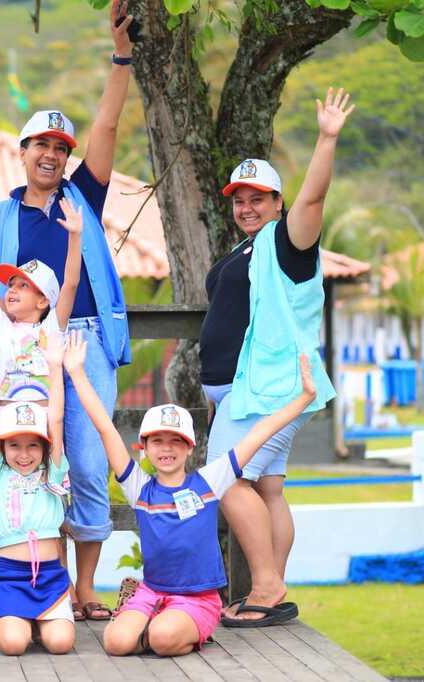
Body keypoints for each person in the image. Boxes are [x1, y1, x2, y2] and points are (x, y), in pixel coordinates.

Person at [0, 0, 136, 621]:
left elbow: (109, 127)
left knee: (90, 461)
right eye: (40, 144)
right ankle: (42, 584)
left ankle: (85, 588)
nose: (51, 154)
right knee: (25, 453)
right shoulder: (1, 215)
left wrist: (119, 57)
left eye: (59, 146)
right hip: (20, 347)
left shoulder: (83, 196)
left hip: (84, 339)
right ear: (23, 151)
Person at [199, 88, 352, 626]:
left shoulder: (288, 241)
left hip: (273, 389)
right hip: (247, 391)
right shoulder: (246, 248)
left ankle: (265, 586)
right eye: (239, 199)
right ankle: (271, 591)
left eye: (258, 198)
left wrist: (326, 139)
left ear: (277, 203)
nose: (246, 207)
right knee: (266, 487)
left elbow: (312, 201)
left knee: (222, 479)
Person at [72, 339, 317, 656]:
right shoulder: (140, 488)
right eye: (157, 441)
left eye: (176, 441)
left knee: (162, 639)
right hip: (153, 592)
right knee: (115, 643)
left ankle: (181, 628)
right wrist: (76, 371)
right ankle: (155, 620)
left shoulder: (209, 482)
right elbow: (105, 428)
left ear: (189, 448)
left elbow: (259, 433)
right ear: (144, 447)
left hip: (196, 598)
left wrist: (304, 398)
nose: (166, 448)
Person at [0, 333, 75, 656]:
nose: (23, 454)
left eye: (32, 445)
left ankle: (42, 622)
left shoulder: (52, 471)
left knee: (61, 644)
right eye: (14, 445)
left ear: (44, 447)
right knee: (12, 645)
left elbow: (54, 417)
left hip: (51, 576)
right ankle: (22, 621)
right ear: (3, 447)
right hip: (12, 577)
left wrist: (55, 368)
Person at [0, 200, 82, 404]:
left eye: (23, 286)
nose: (12, 289)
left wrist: (75, 237)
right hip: (5, 423)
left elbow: (71, 283)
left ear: (43, 300)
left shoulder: (53, 326)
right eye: (11, 284)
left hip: (44, 424)